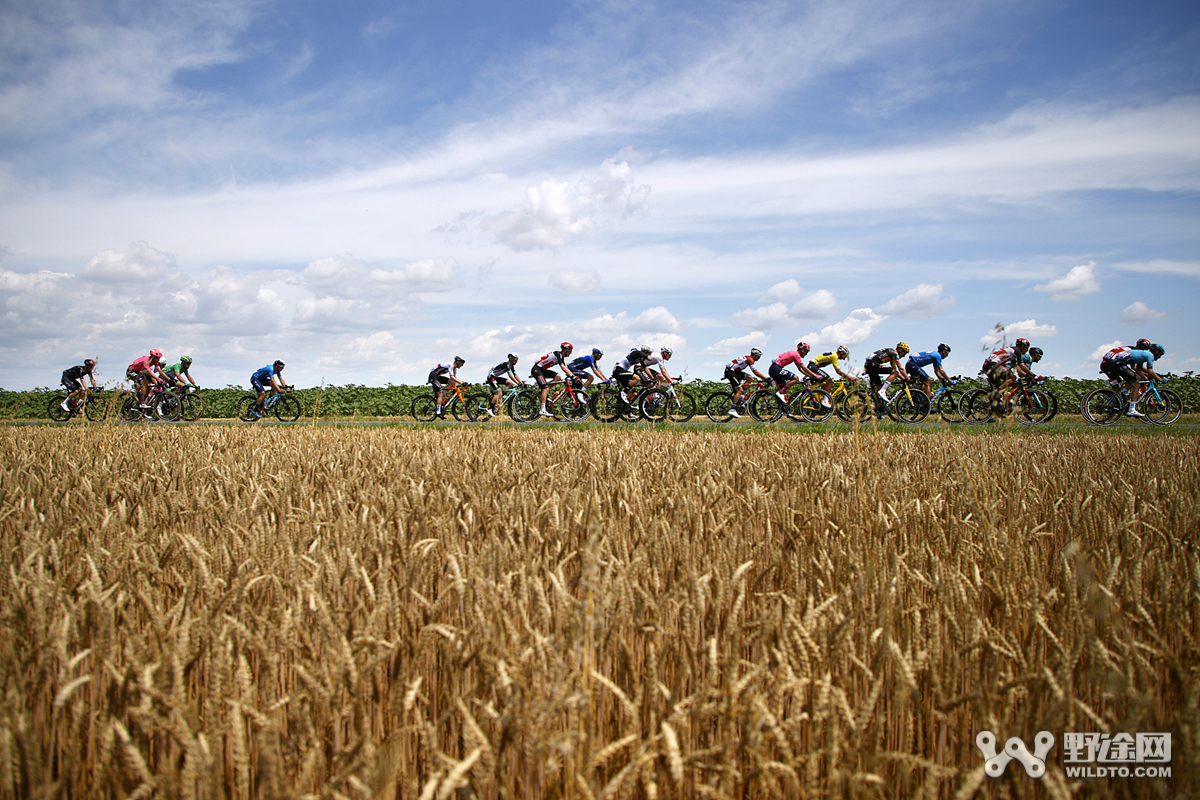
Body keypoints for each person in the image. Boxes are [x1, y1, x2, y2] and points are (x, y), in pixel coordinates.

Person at [1106, 343, 1166, 416]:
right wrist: (1161, 380)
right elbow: (1150, 371)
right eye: (1160, 355)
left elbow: (1138, 371)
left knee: (1135, 379)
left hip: (1115, 362)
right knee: (1136, 384)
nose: (1159, 357)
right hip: (1119, 363)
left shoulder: (1143, 355)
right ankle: (1132, 409)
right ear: (1157, 352)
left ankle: (1124, 393)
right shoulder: (1150, 355)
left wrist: (1145, 378)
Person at [724, 348, 769, 418]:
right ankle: (732, 409)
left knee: (750, 378)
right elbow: (756, 372)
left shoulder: (749, 358)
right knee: (739, 390)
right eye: (759, 356)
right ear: (755, 355)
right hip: (730, 371)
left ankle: (741, 395)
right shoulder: (750, 359)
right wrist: (767, 378)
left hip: (735, 372)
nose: (759, 358)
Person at [532, 342, 573, 417]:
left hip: (542, 370)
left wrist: (571, 375)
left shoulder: (561, 357)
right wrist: (572, 376)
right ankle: (542, 410)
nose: (571, 353)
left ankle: (545, 390)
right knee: (545, 388)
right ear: (565, 349)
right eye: (570, 351)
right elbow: (563, 367)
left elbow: (565, 367)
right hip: (537, 369)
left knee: (558, 376)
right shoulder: (558, 354)